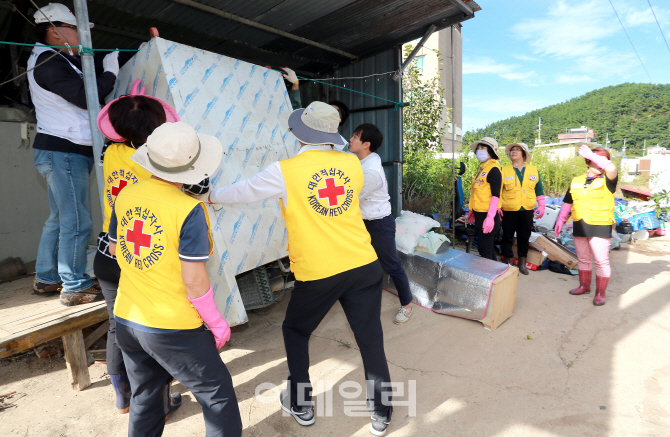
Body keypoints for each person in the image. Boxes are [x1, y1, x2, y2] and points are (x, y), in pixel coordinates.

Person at [208, 102, 394, 436]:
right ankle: (381, 413)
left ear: (300, 132)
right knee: (370, 339)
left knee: (295, 331)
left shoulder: (286, 170)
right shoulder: (353, 163)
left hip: (320, 271)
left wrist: (213, 196)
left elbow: (246, 191)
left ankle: (300, 402)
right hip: (364, 264)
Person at [108, 121, 242, 436]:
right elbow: (194, 282)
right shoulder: (188, 210)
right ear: (193, 168)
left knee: (147, 394)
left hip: (128, 318)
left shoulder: (127, 194)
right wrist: (217, 323)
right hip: (171, 327)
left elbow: (116, 248)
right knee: (217, 394)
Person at [93, 79, 184, 414]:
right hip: (141, 257)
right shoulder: (157, 165)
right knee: (153, 329)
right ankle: (155, 403)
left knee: (120, 326)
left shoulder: (110, 152)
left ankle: (122, 395)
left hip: (107, 252)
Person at [28, 3, 124, 305]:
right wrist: (110, 70)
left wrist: (99, 64)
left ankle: (46, 277)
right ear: (55, 32)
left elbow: (84, 81)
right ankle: (74, 286)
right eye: (74, 28)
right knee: (77, 221)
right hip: (64, 152)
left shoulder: (57, 58)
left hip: (60, 151)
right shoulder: (48, 61)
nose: (81, 34)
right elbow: (86, 96)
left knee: (59, 219)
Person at [349, 123, 413, 324]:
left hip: (378, 224)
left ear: (366, 144)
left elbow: (349, 199)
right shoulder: (361, 160)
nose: (351, 139)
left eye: (356, 137)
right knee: (361, 264)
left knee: (391, 265)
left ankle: (407, 305)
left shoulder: (371, 173)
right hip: (363, 222)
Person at [554, 145, 618, 306]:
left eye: (604, 159)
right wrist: (561, 219)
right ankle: (584, 286)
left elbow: (611, 168)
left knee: (601, 261)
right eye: (597, 159)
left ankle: (600, 294)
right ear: (588, 162)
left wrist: (596, 157)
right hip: (580, 224)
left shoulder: (609, 179)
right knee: (582, 259)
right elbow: (568, 202)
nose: (602, 162)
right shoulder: (576, 180)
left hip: (600, 225)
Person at [500, 143, 546, 274]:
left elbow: (539, 189)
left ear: (524, 154)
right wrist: (497, 207)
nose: (513, 152)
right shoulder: (504, 170)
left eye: (517, 150)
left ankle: (522, 264)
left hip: (526, 209)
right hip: (509, 209)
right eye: (512, 150)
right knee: (507, 236)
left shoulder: (533, 170)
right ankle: (507, 263)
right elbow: (498, 191)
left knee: (524, 237)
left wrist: (541, 205)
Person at [466, 137, 502, 261]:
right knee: (486, 248)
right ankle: (496, 274)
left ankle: (491, 277)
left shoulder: (494, 170)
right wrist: (472, 210)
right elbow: (477, 193)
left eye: (483, 148)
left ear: (491, 152)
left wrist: (490, 217)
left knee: (484, 249)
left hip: (488, 216)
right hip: (479, 215)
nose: (479, 151)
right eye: (479, 148)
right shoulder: (483, 169)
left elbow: (495, 195)